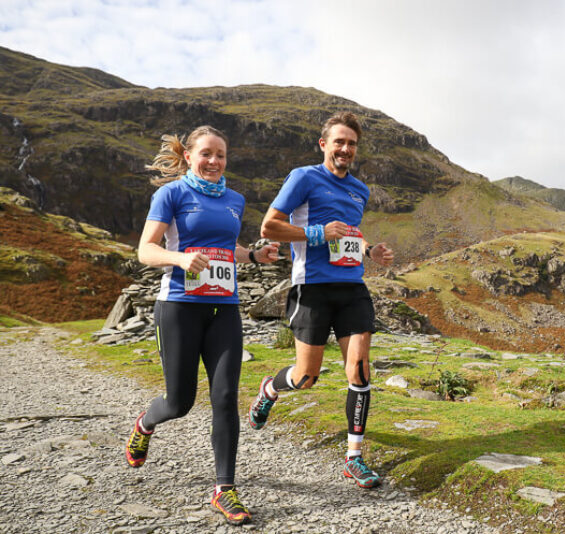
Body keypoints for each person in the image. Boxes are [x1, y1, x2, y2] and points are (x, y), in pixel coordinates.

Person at [124, 125, 279, 526]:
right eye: (206, 154)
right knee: (180, 403)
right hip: (179, 306)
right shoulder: (171, 194)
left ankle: (224, 489)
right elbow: (146, 249)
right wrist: (179, 260)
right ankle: (145, 422)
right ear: (190, 156)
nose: (214, 161)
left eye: (221, 155)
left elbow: (228, 251)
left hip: (223, 307)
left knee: (225, 396)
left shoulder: (235, 200)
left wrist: (256, 257)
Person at [248, 111, 394, 489]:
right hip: (311, 288)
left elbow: (348, 235)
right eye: (339, 142)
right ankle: (269, 389)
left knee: (359, 370)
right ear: (324, 144)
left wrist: (368, 249)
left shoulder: (359, 190)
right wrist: (317, 232)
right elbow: (270, 227)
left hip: (351, 288)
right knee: (306, 376)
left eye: (352, 144)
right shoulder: (304, 177)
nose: (346, 149)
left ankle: (354, 458)